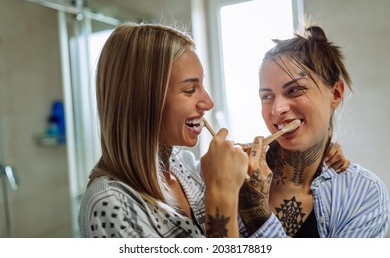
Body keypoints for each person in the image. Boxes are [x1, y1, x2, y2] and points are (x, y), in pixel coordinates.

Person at [78, 22, 350, 238]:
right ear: (142, 100)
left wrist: (320, 151)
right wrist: (222, 191)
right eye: (189, 89)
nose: (208, 102)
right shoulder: (111, 206)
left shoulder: (182, 167)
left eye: (203, 85)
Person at [238, 25, 389, 237]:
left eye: (295, 90)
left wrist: (258, 215)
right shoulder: (233, 174)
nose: (277, 109)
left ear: (335, 94)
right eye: (266, 96)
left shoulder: (364, 194)